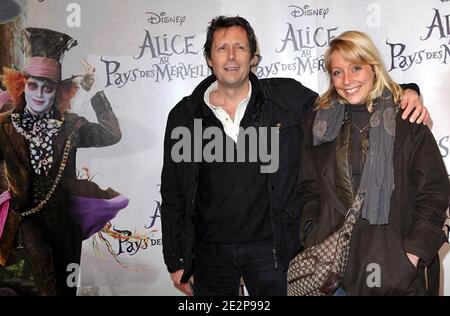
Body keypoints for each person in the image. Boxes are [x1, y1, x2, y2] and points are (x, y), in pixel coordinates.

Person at [161, 16, 427, 296]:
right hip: (209, 255)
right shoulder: (184, 116)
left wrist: (405, 92)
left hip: (274, 252)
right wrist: (176, 259)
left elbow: (347, 99)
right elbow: (173, 192)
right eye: (221, 48)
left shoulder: (286, 98)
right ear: (209, 57)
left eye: (239, 47)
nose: (231, 56)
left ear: (253, 56)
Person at [298, 30, 450, 295]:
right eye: (337, 72)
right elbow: (308, 188)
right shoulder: (318, 124)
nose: (347, 80)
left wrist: (411, 256)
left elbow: (434, 194)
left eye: (356, 68)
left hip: (396, 271)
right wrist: (312, 233)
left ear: (373, 68)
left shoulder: (406, 119)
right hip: (335, 274)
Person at [0, 27, 122, 295]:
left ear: (59, 92)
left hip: (66, 226)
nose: (40, 94)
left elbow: (112, 134)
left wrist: (95, 93)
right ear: (22, 86)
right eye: (33, 86)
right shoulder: (6, 126)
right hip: (26, 220)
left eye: (48, 88)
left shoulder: (71, 126)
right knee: (46, 284)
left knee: (66, 289)